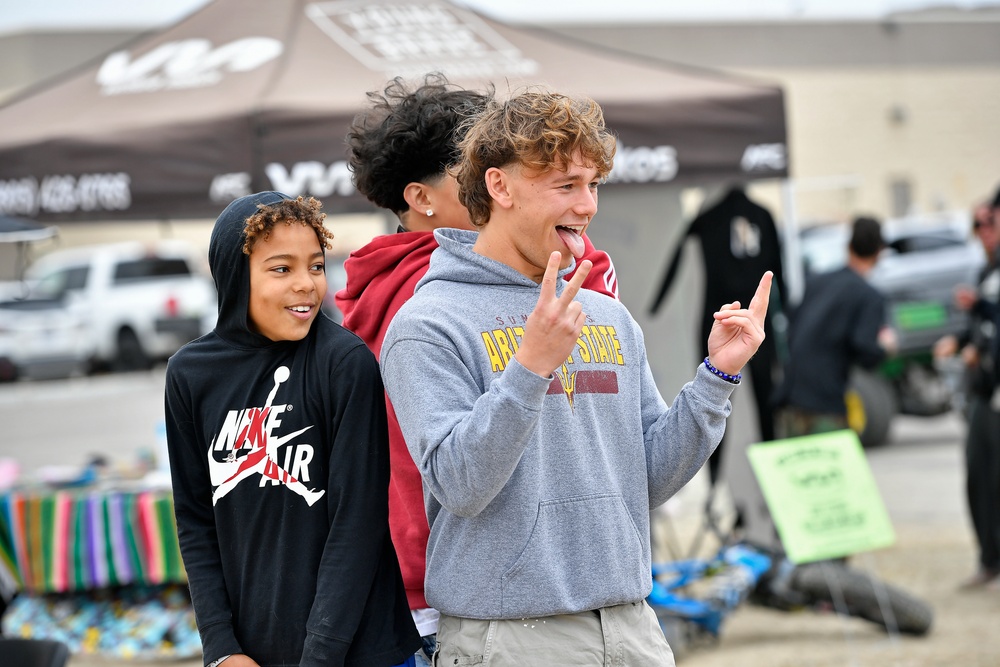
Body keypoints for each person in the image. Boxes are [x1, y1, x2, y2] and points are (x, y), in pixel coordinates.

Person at [378, 88, 772, 665]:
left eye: (593, 185)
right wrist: (530, 366)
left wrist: (717, 376)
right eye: (565, 186)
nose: (586, 205)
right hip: (509, 639)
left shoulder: (607, 313)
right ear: (500, 186)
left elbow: (647, 480)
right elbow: (460, 485)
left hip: (633, 627)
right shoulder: (428, 323)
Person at [336, 74, 619, 665]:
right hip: (486, 584)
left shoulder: (371, 291)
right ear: (421, 198)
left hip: (415, 572)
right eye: (476, 170)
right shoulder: (436, 301)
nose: (496, 184)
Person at [164, 192, 420, 667]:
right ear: (236, 276)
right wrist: (221, 649)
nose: (306, 284)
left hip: (360, 650)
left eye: (317, 266)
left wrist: (319, 657)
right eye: (282, 269)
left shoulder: (345, 365)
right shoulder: (190, 374)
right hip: (251, 652)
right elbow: (195, 518)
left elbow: (356, 525)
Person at [772, 216, 898, 437]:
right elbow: (865, 350)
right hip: (826, 401)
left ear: (848, 247)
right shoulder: (869, 296)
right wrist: (886, 347)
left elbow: (791, 326)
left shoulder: (815, 282)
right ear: (879, 252)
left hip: (790, 395)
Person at [933, 197, 1000, 589]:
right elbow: (983, 324)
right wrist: (961, 340)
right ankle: (990, 559)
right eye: (977, 224)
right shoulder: (986, 269)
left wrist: (982, 312)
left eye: (989, 221)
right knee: (980, 475)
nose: (983, 230)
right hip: (984, 389)